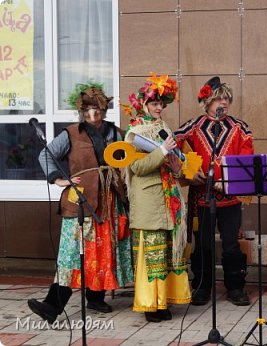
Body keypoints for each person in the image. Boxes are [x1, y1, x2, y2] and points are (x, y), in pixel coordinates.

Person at [28, 82, 133, 323]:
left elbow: (127, 157)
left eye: (97, 111)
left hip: (108, 200)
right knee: (72, 253)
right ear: (81, 112)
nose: (93, 116)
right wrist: (58, 179)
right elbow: (46, 154)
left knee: (103, 249)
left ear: (105, 110)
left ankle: (95, 298)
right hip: (81, 199)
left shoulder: (115, 132)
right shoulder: (71, 133)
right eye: (88, 112)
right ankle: (51, 306)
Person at [175, 76, 253, 306]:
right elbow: (173, 148)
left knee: (231, 243)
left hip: (230, 198)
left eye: (226, 99)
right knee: (203, 243)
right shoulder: (192, 126)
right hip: (202, 196)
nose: (224, 103)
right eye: (218, 99)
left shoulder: (241, 128)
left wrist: (228, 180)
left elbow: (246, 161)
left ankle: (236, 286)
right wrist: (188, 171)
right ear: (207, 102)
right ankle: (202, 285)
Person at [123, 74, 191, 322]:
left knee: (167, 252)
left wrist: (176, 167)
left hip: (168, 197)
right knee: (152, 253)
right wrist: (162, 151)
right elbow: (136, 168)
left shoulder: (164, 128)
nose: (159, 108)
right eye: (154, 104)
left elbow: (172, 162)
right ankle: (150, 304)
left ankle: (164, 302)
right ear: (144, 104)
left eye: (162, 104)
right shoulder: (133, 131)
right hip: (149, 200)